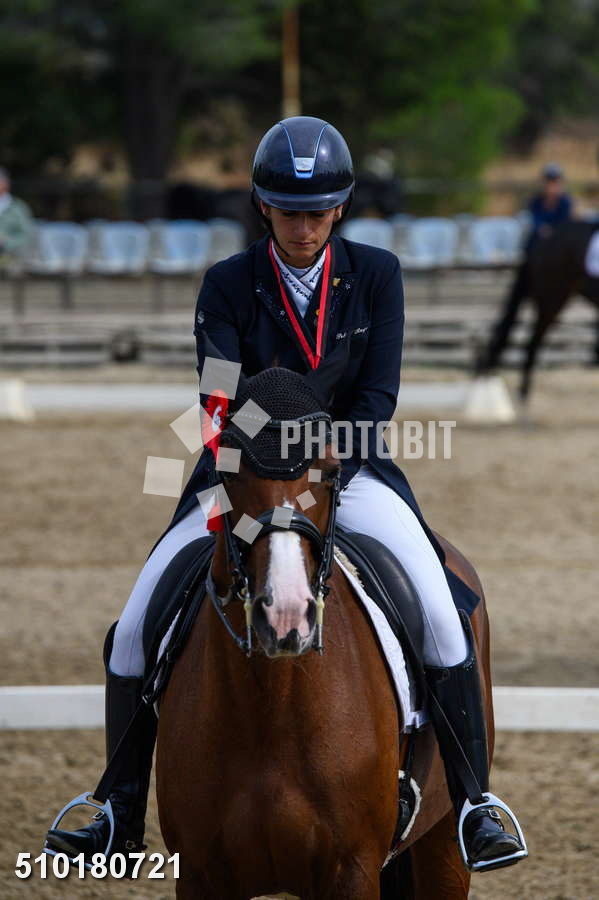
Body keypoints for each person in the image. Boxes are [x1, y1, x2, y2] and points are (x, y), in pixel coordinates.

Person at [46, 117, 526, 872]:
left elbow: (376, 399)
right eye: (289, 212)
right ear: (263, 207)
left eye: (318, 212)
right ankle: (118, 805)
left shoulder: (376, 274)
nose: (303, 228)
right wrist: (270, 450)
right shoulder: (227, 283)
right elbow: (215, 401)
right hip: (240, 476)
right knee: (135, 625)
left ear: (340, 208)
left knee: (443, 613)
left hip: (348, 472)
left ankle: (473, 804)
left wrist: (315, 450)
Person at [476, 162, 572, 374]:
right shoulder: (536, 201)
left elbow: (563, 228)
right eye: (549, 181)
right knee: (515, 306)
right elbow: (537, 226)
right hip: (533, 260)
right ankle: (497, 354)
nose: (551, 185)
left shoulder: (565, 203)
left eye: (555, 181)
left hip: (554, 264)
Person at [0, 167, 34, 268]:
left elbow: (27, 234)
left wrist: (6, 242)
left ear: (6, 184)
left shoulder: (18, 208)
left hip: (11, 255)